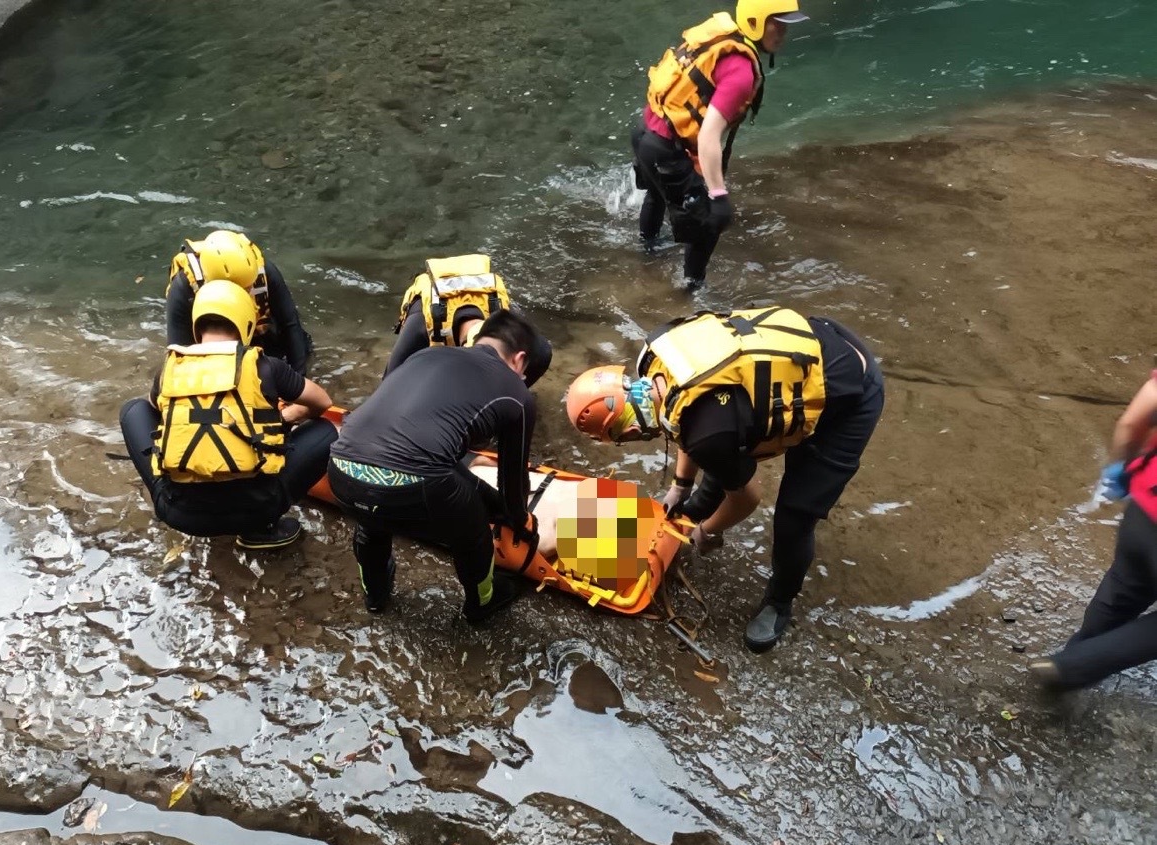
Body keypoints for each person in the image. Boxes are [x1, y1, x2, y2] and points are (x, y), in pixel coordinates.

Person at [566, 305, 883, 652]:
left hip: (848, 394)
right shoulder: (653, 358)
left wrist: (709, 531)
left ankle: (779, 601)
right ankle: (699, 502)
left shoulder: (705, 434)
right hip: (813, 344)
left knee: (795, 517)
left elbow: (747, 497)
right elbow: (683, 411)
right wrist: (680, 486)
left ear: (628, 431)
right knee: (720, 448)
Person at [329, 308, 541, 623]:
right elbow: (512, 478)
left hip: (341, 468)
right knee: (473, 531)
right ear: (519, 359)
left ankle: (375, 595)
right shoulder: (517, 393)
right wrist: (519, 519)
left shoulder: (424, 356)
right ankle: (483, 602)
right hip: (415, 486)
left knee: (372, 520)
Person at [121, 279, 337, 549]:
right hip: (258, 508)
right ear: (247, 324)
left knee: (133, 409)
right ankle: (262, 531)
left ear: (196, 327)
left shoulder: (169, 369)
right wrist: (284, 418)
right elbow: (322, 402)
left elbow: (157, 413)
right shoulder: (265, 366)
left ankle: (169, 492)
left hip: (181, 514)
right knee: (326, 430)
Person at [633, 0, 809, 290]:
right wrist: (718, 195)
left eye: (786, 25)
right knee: (708, 224)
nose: (783, 33)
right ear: (756, 21)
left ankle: (645, 253)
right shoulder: (740, 72)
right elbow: (708, 137)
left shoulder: (720, 38)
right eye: (778, 24)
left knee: (656, 194)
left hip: (644, 131)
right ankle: (690, 291)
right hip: (665, 148)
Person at [1031, 371, 1157, 690]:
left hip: (1144, 508)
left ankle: (1075, 653)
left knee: (1123, 588)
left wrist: (1127, 467)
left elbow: (1131, 423)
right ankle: (1071, 667)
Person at [386, 254, 553, 387]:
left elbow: (544, 352)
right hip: (432, 312)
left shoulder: (504, 319)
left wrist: (516, 387)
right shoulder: (419, 326)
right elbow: (388, 384)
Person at [166, 230, 315, 375]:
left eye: (249, 286)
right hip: (211, 344)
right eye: (242, 289)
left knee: (298, 345)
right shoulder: (184, 287)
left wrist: (299, 378)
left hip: (256, 333)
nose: (247, 293)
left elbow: (290, 324)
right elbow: (179, 354)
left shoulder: (264, 271)